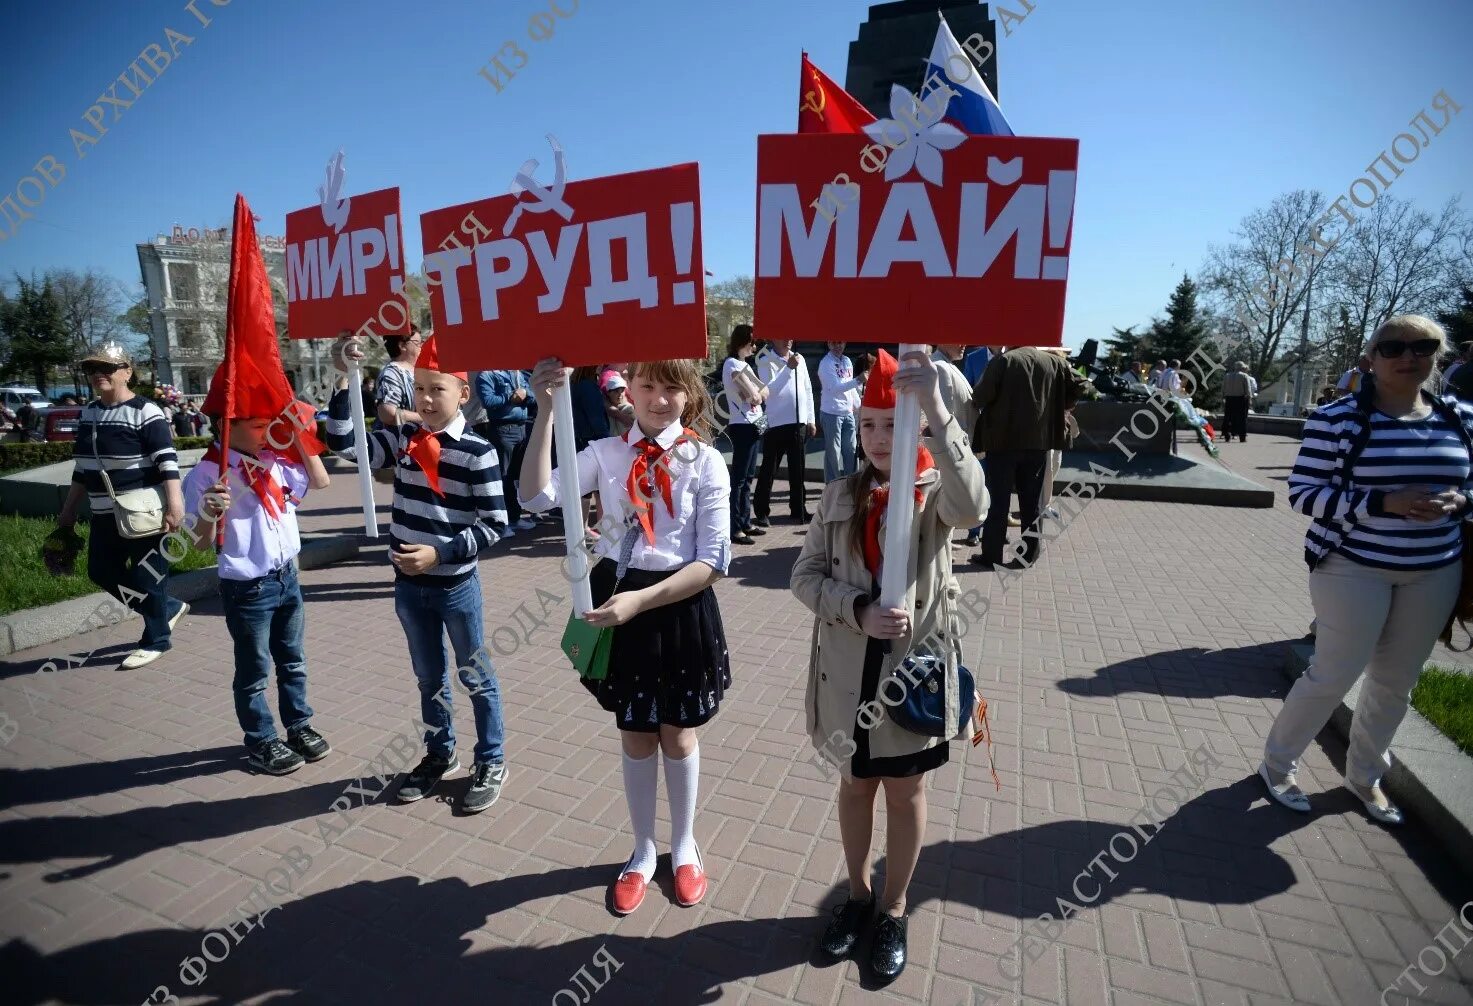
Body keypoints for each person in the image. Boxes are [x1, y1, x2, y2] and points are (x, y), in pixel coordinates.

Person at [791, 349, 988, 982]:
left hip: (912, 677)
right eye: (870, 423)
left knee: (905, 794)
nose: (880, 438)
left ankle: (895, 907)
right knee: (854, 788)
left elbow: (976, 505)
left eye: (894, 422)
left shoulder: (937, 490)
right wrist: (853, 608)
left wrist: (933, 404)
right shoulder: (839, 494)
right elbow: (803, 577)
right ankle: (856, 895)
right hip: (850, 675)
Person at [520, 355, 733, 916]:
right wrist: (546, 412)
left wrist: (642, 601)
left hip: (678, 602)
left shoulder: (706, 461)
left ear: (690, 396)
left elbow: (712, 560)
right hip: (620, 598)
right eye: (647, 386)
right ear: (628, 393)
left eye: (672, 388)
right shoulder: (604, 454)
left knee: (679, 735)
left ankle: (684, 847)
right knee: (637, 735)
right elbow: (537, 498)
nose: (659, 399)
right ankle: (642, 851)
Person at [1262, 315, 1472, 826]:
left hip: (1434, 570)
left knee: (1396, 681)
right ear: (1371, 358)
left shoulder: (1462, 416)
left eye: (1422, 347)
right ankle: (1278, 765)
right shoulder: (1337, 420)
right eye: (1394, 347)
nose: (1408, 357)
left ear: (1436, 357)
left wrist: (1459, 501)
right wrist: (1382, 502)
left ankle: (1365, 775)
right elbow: (1305, 494)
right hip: (1352, 567)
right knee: (1335, 672)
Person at [326, 333, 511, 814]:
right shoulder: (403, 441)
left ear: (463, 395)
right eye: (421, 389)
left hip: (455, 588)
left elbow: (495, 525)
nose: (427, 400)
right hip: (409, 588)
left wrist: (440, 554)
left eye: (438, 390)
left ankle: (491, 759)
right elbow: (348, 447)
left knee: (476, 676)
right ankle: (439, 752)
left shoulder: (477, 451)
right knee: (429, 679)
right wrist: (347, 383)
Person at [185, 398, 332, 774]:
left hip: (288, 577)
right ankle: (261, 739)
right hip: (248, 588)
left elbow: (320, 480)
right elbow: (198, 542)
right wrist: (207, 510)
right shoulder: (205, 475)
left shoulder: (273, 460)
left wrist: (298, 435)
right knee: (254, 668)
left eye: (269, 423)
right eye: (256, 425)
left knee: (293, 660)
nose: (267, 432)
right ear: (224, 426)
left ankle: (298, 725)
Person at [56, 342, 188, 669]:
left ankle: (156, 638)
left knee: (147, 578)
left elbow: (167, 462)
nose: (97, 374)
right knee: (101, 571)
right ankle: (165, 609)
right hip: (104, 512)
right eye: (91, 369)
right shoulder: (90, 412)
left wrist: (175, 503)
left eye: (107, 368)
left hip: (143, 511)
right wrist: (70, 508)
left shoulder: (146, 411)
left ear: (127, 372)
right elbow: (84, 466)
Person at [970, 345, 1089, 570]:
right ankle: (1028, 556)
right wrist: (1062, 407)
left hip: (1002, 442)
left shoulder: (1004, 361)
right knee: (1032, 503)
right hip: (1038, 443)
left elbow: (980, 396)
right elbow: (1081, 384)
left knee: (998, 502)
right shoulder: (1055, 362)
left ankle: (991, 555)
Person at [753, 336, 816, 526]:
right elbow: (768, 392)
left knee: (798, 469)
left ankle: (798, 508)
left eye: (790, 337)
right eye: (783, 337)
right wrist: (788, 368)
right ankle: (762, 511)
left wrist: (810, 419)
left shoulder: (800, 358)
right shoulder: (765, 361)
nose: (787, 341)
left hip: (798, 422)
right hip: (775, 423)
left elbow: (807, 389)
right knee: (769, 469)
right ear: (773, 339)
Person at [475, 369, 538, 537]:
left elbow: (534, 396)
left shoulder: (517, 373)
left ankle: (515, 518)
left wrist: (526, 394)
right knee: (503, 478)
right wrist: (511, 397)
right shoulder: (486, 374)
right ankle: (501, 523)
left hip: (522, 428)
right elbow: (488, 401)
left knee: (517, 477)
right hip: (502, 430)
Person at [722, 326, 768, 544]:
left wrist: (753, 393)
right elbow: (754, 396)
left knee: (748, 477)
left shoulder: (745, 365)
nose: (755, 346)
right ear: (742, 341)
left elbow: (763, 392)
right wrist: (753, 393)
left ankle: (745, 521)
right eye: (752, 342)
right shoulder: (732, 364)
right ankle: (734, 527)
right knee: (739, 478)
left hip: (754, 423)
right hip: (742, 424)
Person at [818, 341, 862, 482]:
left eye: (841, 342)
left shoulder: (847, 360)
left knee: (851, 451)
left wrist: (860, 405)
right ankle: (833, 485)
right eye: (834, 342)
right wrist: (858, 380)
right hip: (832, 412)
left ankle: (852, 483)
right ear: (828, 343)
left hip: (848, 412)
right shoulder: (826, 363)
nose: (838, 346)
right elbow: (834, 388)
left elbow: (850, 388)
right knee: (833, 454)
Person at [375, 325, 424, 429]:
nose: (421, 346)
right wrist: (427, 418)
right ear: (402, 346)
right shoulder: (392, 372)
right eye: (417, 343)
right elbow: (387, 413)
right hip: (400, 441)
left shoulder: (417, 371)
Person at [1221, 361, 1258, 442]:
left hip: (1229, 399)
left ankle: (1226, 435)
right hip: (1241, 399)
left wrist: (1223, 398)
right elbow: (1248, 390)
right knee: (1242, 419)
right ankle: (1242, 437)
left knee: (1228, 417)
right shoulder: (1244, 376)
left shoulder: (1227, 376)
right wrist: (1249, 399)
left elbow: (1223, 388)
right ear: (1242, 368)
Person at [604, 374, 635, 439]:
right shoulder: (603, 410)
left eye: (622, 390)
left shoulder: (629, 408)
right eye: (616, 391)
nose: (620, 394)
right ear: (608, 393)